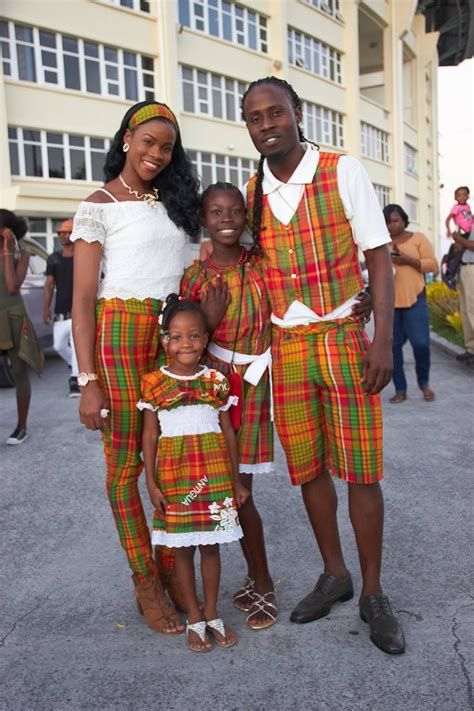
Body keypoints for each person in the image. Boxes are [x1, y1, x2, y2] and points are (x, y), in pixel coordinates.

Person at [241, 76, 405, 654]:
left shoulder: (341, 170)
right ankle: (335, 575)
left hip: (341, 337)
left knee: (361, 468)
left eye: (275, 113)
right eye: (255, 118)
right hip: (285, 345)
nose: (267, 125)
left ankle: (374, 592)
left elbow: (379, 257)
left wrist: (383, 339)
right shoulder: (253, 189)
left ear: (297, 112)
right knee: (308, 470)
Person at [71, 100, 200, 635]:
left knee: (173, 453)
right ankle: (145, 578)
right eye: (148, 141)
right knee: (125, 466)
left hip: (174, 335)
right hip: (121, 333)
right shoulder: (98, 205)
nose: (156, 154)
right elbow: (81, 300)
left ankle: (172, 571)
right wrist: (88, 380)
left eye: (166, 147)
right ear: (127, 139)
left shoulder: (176, 203)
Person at [181, 182, 277, 630]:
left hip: (254, 385)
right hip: (214, 392)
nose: (226, 220)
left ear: (245, 217)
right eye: (216, 212)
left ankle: (264, 582)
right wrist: (210, 320)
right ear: (204, 219)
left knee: (241, 493)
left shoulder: (260, 265)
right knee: (224, 492)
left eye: (235, 211)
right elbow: (185, 346)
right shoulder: (195, 279)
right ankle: (255, 578)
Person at [139, 295, 249, 652]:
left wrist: (235, 481)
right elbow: (150, 434)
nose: (186, 343)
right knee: (183, 550)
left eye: (194, 336)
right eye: (177, 336)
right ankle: (194, 617)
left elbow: (228, 432)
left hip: (213, 474)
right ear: (164, 341)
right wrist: (151, 482)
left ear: (205, 339)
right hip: (175, 478)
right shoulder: (154, 383)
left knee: (211, 547)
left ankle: (213, 612)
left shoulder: (217, 382)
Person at [383, 204, 439, 402]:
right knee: (394, 348)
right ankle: (400, 389)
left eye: (396, 220)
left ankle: (424, 383)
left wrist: (408, 260)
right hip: (389, 304)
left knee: (421, 344)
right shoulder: (381, 242)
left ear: (404, 219)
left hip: (415, 299)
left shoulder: (418, 238)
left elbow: (433, 265)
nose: (392, 225)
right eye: (388, 222)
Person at [0, 210, 43, 445]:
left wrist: (7, 251)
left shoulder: (22, 254)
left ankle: (21, 426)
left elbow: (11, 286)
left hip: (14, 317)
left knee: (18, 371)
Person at [44, 219, 80, 397]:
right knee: (58, 345)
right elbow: (49, 284)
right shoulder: (54, 258)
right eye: (60, 233)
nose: (63, 236)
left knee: (75, 345)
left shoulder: (82, 256)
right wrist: (46, 308)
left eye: (67, 232)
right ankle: (74, 366)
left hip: (79, 310)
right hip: (60, 310)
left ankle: (75, 381)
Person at [452, 222, 474, 364]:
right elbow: (462, 247)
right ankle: (471, 349)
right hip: (465, 267)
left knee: (472, 309)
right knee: (466, 310)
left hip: (472, 268)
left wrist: (458, 238)